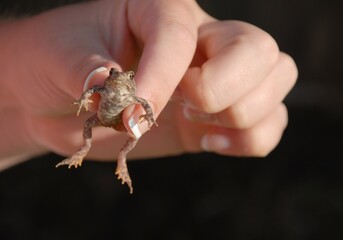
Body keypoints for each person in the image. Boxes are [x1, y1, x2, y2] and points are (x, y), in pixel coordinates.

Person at [0, 0, 297, 170]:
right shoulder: (106, 83)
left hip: (118, 121)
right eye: (116, 75)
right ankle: (85, 151)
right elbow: (92, 90)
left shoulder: (134, 94)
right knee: (89, 126)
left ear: (132, 81)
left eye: (126, 77)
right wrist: (77, 101)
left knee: (129, 138)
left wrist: (33, 128)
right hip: (102, 117)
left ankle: (122, 161)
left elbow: (144, 104)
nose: (119, 78)